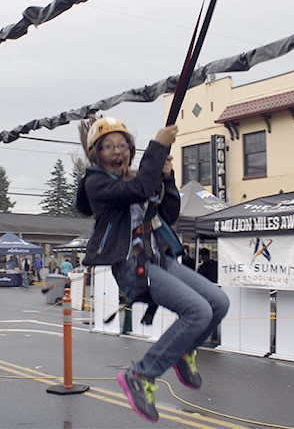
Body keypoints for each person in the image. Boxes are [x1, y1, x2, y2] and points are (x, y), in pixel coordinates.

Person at [76, 116, 229, 423]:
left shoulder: (134, 179)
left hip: (159, 257)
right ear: (96, 154)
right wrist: (158, 145)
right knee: (198, 312)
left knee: (218, 302)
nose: (117, 151)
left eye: (122, 145)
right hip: (133, 266)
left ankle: (185, 351)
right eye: (108, 147)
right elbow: (141, 188)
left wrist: (168, 178)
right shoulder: (97, 184)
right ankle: (140, 375)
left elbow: (168, 213)